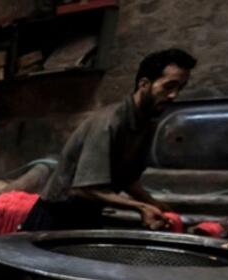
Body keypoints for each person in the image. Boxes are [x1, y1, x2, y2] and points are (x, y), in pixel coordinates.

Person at [21, 48, 196, 232]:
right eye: (168, 87)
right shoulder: (109, 122)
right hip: (56, 218)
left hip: (88, 216)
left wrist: (153, 203)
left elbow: (127, 179)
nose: (173, 95)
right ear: (144, 84)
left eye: (180, 88)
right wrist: (141, 207)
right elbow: (85, 189)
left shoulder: (146, 124)